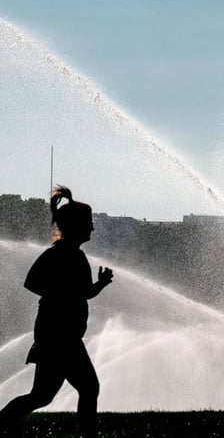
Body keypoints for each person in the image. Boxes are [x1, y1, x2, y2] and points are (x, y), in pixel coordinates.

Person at [0, 186, 113, 438]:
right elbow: (33, 283)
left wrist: (100, 284)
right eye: (90, 223)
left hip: (57, 335)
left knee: (41, 396)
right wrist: (63, 294)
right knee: (89, 387)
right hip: (61, 336)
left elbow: (81, 293)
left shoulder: (73, 255)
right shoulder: (62, 254)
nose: (93, 228)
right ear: (76, 226)